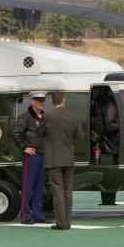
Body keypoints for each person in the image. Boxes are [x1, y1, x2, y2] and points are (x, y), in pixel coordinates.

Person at [37, 92, 83, 230]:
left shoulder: (47, 116)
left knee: (57, 191)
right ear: (64, 100)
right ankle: (68, 222)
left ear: (53, 102)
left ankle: (61, 223)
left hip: (53, 159)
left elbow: (39, 133)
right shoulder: (74, 116)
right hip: (68, 158)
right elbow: (79, 136)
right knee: (68, 191)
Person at [12, 91, 50, 224]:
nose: (41, 103)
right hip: (32, 156)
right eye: (39, 100)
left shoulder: (44, 117)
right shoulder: (25, 117)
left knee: (40, 186)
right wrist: (24, 148)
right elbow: (16, 134)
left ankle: (39, 215)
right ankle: (25, 216)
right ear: (33, 101)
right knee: (28, 186)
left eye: (43, 101)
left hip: (43, 155)